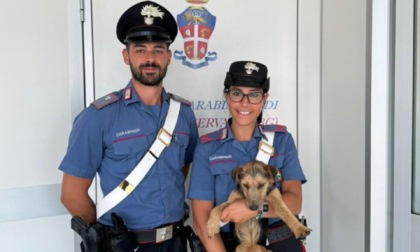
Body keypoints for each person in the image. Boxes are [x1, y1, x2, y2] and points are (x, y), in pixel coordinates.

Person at [59, 1, 198, 251]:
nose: (150, 59)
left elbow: (181, 170)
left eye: (158, 50)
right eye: (140, 50)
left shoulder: (184, 115)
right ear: (127, 56)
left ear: (168, 56)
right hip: (126, 245)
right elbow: (71, 194)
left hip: (176, 241)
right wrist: (107, 238)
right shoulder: (98, 117)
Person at [187, 61, 307, 252]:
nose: (244, 102)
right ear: (226, 95)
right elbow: (202, 221)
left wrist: (255, 210)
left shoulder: (282, 141)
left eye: (254, 95)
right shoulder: (207, 148)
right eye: (236, 93)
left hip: (279, 243)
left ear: (264, 98)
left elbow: (294, 203)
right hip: (228, 246)